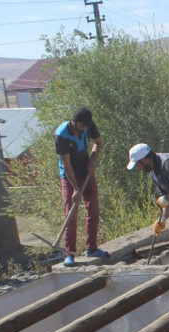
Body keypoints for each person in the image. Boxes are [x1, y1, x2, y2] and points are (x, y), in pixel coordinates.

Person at [55, 107, 108, 266]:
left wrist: (92, 160)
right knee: (71, 214)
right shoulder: (61, 135)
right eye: (82, 126)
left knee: (93, 210)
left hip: (86, 171)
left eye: (86, 126)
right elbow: (66, 164)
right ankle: (69, 254)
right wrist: (76, 189)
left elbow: (98, 144)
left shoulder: (89, 125)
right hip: (69, 175)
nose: (85, 129)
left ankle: (91, 248)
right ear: (74, 122)